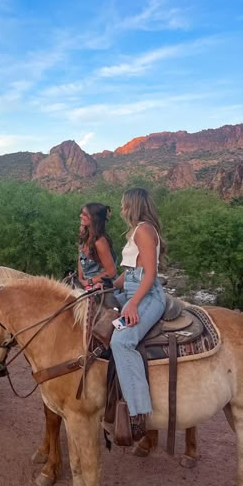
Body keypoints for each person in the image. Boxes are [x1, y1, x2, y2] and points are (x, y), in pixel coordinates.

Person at [110, 187, 167, 441]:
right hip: (132, 290)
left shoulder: (144, 230)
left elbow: (149, 276)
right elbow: (131, 271)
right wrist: (109, 285)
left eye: (123, 204)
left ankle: (138, 412)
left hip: (147, 296)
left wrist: (132, 304)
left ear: (132, 205)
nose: (121, 208)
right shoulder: (134, 231)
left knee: (121, 341)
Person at [77, 202, 117, 289]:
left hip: (101, 286)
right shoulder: (83, 235)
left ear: (94, 218)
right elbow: (80, 259)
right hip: (85, 284)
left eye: (84, 214)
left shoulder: (100, 242)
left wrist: (89, 282)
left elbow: (111, 272)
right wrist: (80, 279)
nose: (80, 216)